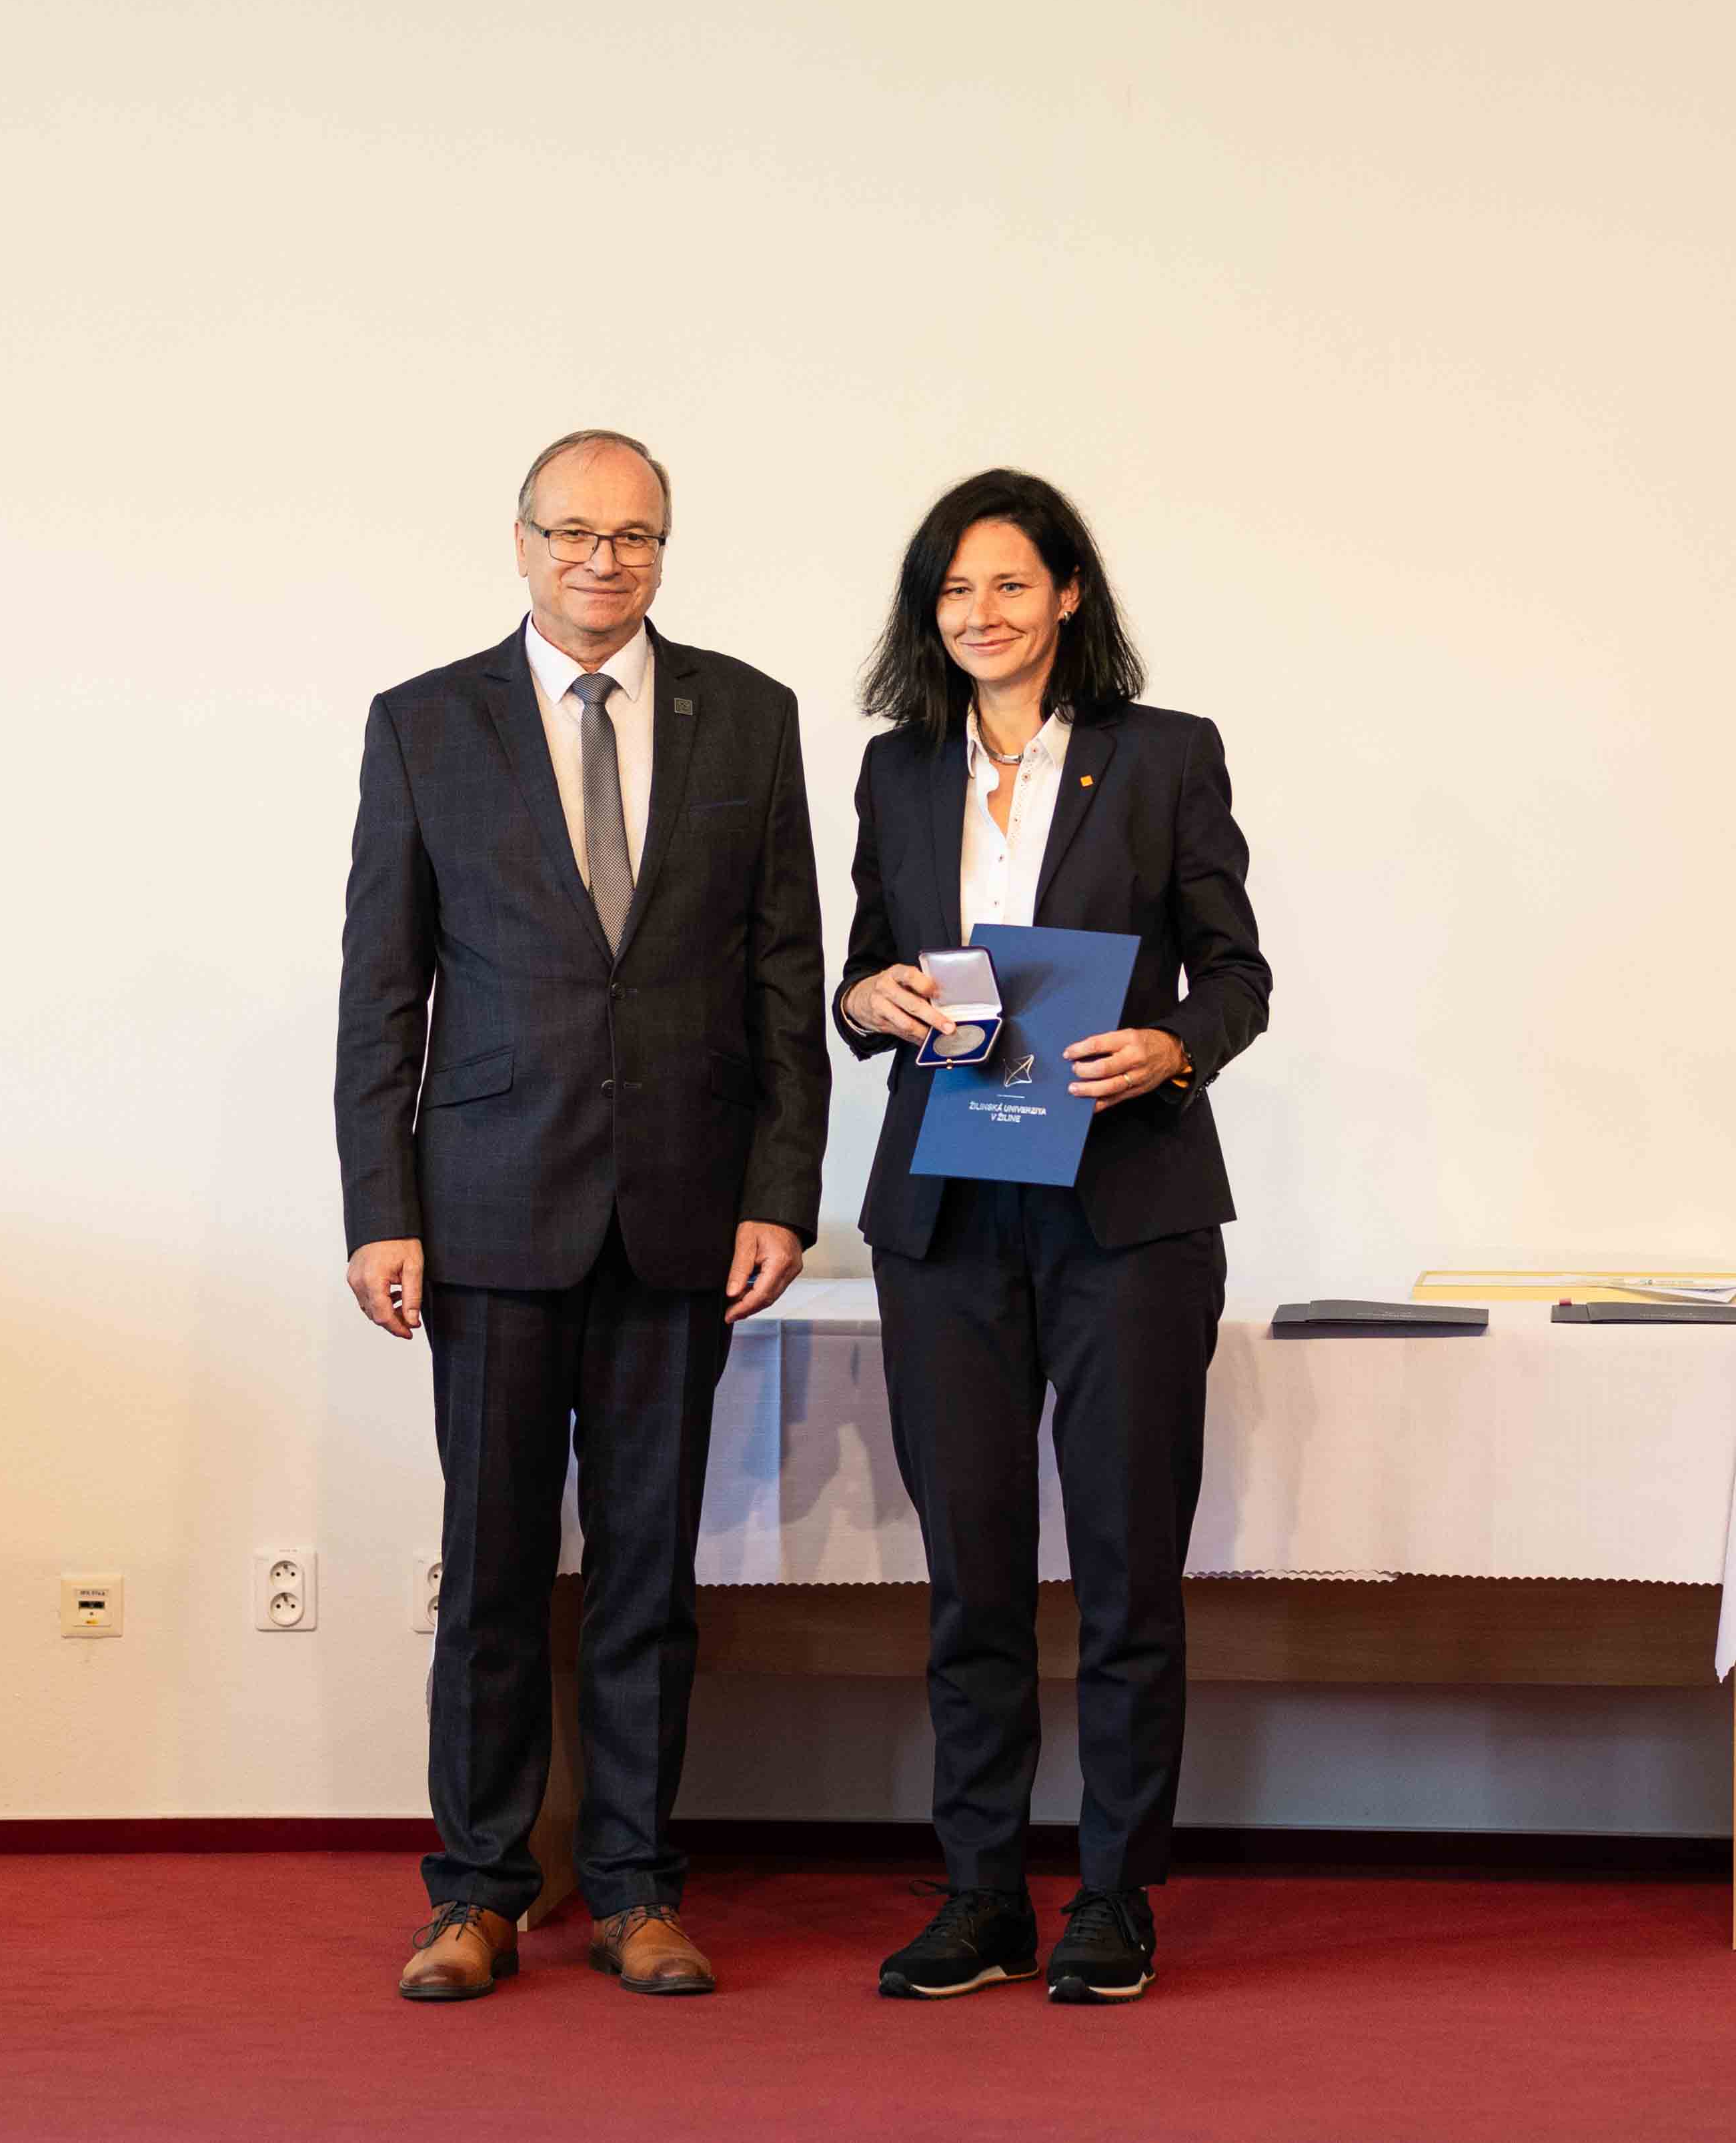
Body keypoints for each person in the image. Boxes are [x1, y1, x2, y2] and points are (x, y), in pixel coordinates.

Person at [336, 431, 829, 2001]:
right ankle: (476, 1891)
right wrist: (380, 1206)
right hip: (486, 1209)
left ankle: (632, 1885)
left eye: (635, 535)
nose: (603, 560)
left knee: (645, 1575)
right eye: (574, 532)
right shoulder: (425, 722)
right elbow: (383, 987)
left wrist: (782, 1191)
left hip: (684, 1212)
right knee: (489, 1572)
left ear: (665, 548)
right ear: (522, 541)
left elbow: (784, 976)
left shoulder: (749, 715)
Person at [832, 472, 1267, 2005]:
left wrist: (1173, 1046)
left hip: (1126, 1209)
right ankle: (981, 1894)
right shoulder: (897, 770)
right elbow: (863, 970)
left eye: (1010, 583)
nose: (982, 613)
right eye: (954, 590)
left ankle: (1116, 1895)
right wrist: (869, 999)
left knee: (1128, 1567)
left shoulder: (1163, 755)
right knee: (972, 1572)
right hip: (947, 1209)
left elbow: (1237, 973)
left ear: (1069, 594)